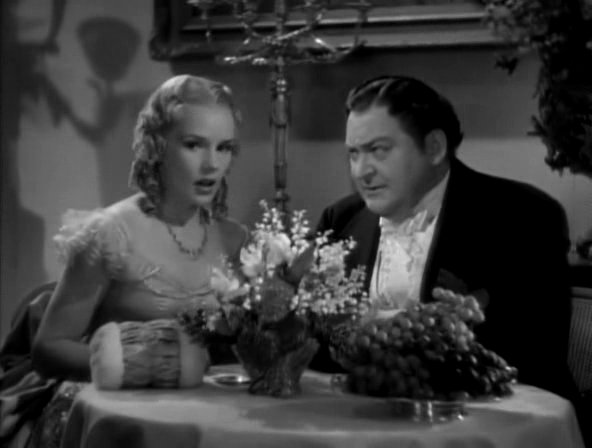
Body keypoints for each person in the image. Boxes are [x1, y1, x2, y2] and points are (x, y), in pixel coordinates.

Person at [0, 74, 247, 448]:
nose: (212, 164)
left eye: (224, 148)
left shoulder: (234, 239)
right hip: (117, 416)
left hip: (201, 412)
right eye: (194, 145)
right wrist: (139, 366)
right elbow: (49, 348)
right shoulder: (111, 234)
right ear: (157, 146)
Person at [311, 75, 578, 403]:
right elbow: (315, 347)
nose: (361, 171)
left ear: (434, 147)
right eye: (353, 154)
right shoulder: (339, 221)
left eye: (378, 150)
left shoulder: (524, 217)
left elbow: (534, 356)